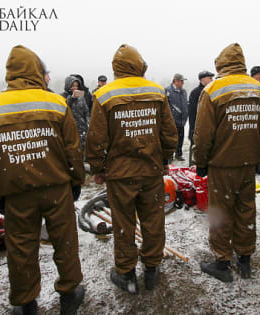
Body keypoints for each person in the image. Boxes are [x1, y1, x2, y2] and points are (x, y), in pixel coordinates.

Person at [0, 45, 85, 314]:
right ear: (36, 72)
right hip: (56, 188)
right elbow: (72, 148)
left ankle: (25, 301)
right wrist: (76, 181)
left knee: (20, 249)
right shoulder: (54, 103)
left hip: (16, 192)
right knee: (65, 241)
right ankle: (70, 292)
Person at [86, 44, 178, 293]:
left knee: (124, 222)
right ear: (139, 64)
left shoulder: (105, 95)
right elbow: (169, 134)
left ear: (116, 68)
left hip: (121, 173)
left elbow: (96, 138)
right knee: (153, 220)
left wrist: (98, 167)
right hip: (151, 171)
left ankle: (126, 274)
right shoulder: (157, 92)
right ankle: (152, 269)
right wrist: (165, 158)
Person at [194, 43, 260, 282]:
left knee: (221, 212)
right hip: (248, 162)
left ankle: (222, 261)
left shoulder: (214, 90)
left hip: (222, 164)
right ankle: (245, 257)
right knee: (246, 208)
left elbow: (203, 133)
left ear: (221, 64)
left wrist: (201, 161)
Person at [188, 70, 214, 164]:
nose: (212, 80)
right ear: (202, 79)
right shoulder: (195, 93)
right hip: (197, 129)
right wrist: (193, 131)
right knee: (195, 155)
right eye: (210, 78)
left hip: (209, 129)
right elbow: (192, 114)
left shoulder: (213, 91)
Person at [61, 75, 90, 149]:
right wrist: (72, 98)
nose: (75, 88)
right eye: (73, 86)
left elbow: (86, 112)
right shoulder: (62, 97)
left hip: (82, 130)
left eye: (76, 86)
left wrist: (88, 123)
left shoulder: (81, 97)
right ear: (68, 86)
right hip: (69, 130)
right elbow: (64, 109)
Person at [165, 73, 188, 161]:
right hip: (171, 121)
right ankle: (169, 156)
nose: (183, 83)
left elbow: (186, 104)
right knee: (171, 139)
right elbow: (165, 106)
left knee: (181, 138)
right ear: (176, 81)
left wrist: (186, 116)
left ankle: (178, 154)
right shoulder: (167, 91)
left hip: (182, 120)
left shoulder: (184, 92)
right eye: (182, 81)